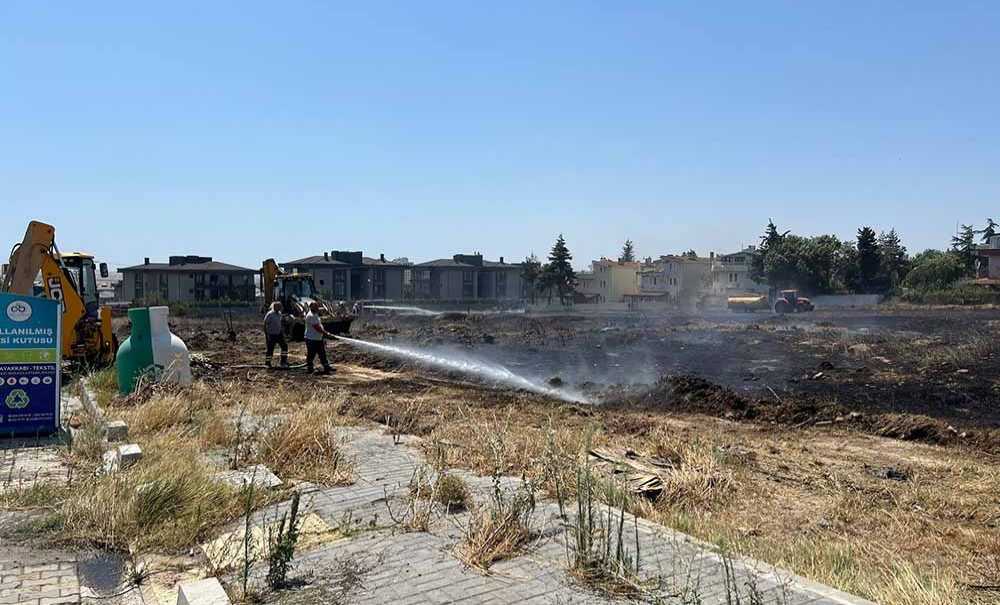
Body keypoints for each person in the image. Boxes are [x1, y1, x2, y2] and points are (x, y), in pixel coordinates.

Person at [304, 301, 335, 374]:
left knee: (322, 353)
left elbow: (319, 326)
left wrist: (322, 337)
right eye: (315, 306)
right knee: (311, 354)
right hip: (311, 338)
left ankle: (326, 366)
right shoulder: (311, 315)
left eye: (317, 306)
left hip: (317, 338)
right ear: (311, 307)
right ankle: (310, 368)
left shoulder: (315, 314)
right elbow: (317, 328)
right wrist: (326, 333)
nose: (317, 307)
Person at [263, 302, 287, 368]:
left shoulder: (279, 314)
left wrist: (282, 331)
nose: (280, 308)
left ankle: (283, 362)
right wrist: (266, 334)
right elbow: (265, 324)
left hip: (279, 334)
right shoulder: (270, 314)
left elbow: (280, 323)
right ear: (274, 307)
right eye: (278, 307)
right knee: (270, 349)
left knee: (284, 346)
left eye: (280, 307)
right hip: (271, 334)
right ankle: (267, 363)